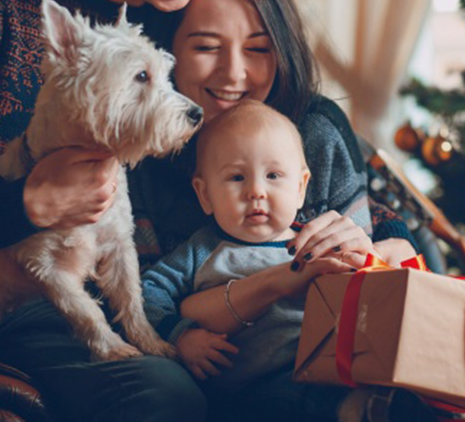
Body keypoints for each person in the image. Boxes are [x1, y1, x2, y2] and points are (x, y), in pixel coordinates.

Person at [0, 0, 241, 421]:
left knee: (171, 400)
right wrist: (22, 204)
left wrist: (379, 222)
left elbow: (284, 102)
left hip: (109, 290)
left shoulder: (192, 7)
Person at [128, 0, 425, 421]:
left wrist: (374, 245)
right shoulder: (137, 151)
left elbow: (378, 239)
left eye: (258, 49)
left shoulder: (314, 129)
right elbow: (143, 295)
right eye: (205, 46)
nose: (234, 72)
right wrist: (182, 337)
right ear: (166, 52)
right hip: (223, 379)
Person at [142, 99, 363, 421]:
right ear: (205, 195)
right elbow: (147, 292)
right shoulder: (200, 250)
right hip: (246, 392)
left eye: (273, 175)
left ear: (301, 188)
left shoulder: (315, 243)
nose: (256, 191)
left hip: (327, 368)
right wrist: (182, 335)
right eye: (236, 178)